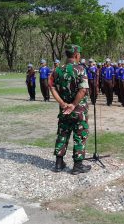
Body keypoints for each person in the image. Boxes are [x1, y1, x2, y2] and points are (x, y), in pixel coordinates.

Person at [48, 44, 91, 175]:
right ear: (77, 55)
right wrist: (73, 104)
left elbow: (52, 87)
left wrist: (62, 103)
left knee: (62, 134)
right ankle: (77, 166)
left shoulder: (57, 70)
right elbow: (83, 89)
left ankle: (58, 163)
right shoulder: (80, 69)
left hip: (64, 110)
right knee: (79, 136)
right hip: (78, 111)